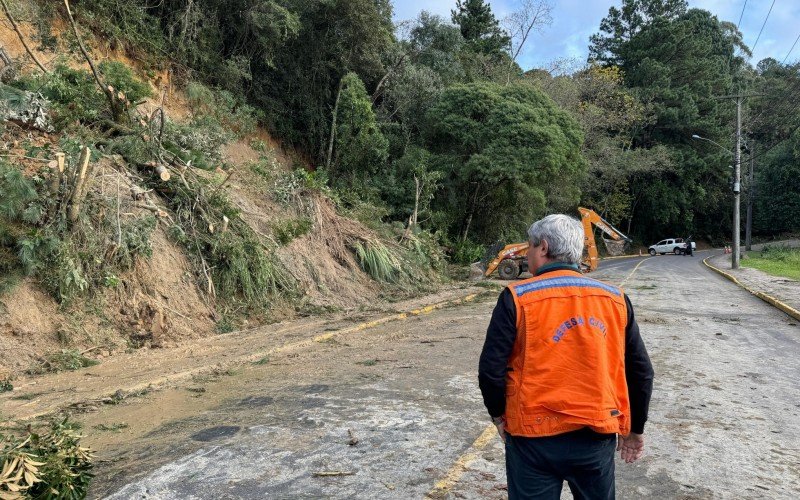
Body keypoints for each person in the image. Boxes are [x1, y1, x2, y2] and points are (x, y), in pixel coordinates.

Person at [478, 214, 654, 499]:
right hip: (595, 435)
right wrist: (635, 428)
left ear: (543, 248)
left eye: (530, 247)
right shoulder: (614, 299)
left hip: (532, 438)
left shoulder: (517, 297)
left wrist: (499, 416)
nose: (530, 254)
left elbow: (490, 369)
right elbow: (640, 371)